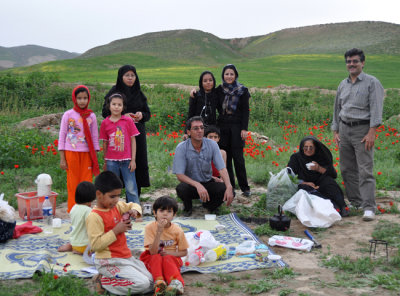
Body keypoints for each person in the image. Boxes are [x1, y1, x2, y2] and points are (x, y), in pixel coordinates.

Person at [331, 48, 384, 221]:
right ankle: (356, 202)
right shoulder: (342, 84)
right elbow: (337, 108)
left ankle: (369, 207)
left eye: (355, 61)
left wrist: (372, 131)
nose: (351, 64)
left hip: (363, 131)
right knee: (346, 169)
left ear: (362, 62)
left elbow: (376, 108)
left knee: (365, 170)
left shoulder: (371, 82)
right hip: (344, 130)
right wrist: (336, 130)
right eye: (348, 61)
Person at [86, 171, 153, 295]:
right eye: (112, 196)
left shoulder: (117, 206)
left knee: (151, 282)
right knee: (142, 284)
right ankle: (104, 281)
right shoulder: (94, 217)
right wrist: (116, 230)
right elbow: (95, 245)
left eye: (118, 196)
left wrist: (134, 211)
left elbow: (134, 204)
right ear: (99, 194)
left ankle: (112, 281)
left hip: (125, 257)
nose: (116, 200)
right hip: (108, 261)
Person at [102, 65, 151, 196]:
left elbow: (148, 113)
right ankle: (115, 200)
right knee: (117, 166)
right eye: (127, 75)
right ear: (121, 77)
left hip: (137, 134)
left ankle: (135, 199)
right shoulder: (114, 92)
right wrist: (123, 116)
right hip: (118, 134)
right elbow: (105, 112)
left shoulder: (139, 93)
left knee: (137, 162)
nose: (130, 78)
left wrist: (141, 115)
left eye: (132, 75)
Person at [172, 116, 234, 217]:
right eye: (196, 128)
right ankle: (188, 208)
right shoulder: (182, 147)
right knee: (181, 188)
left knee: (226, 190)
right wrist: (197, 185)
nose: (200, 131)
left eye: (201, 128)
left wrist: (229, 186)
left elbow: (222, 168)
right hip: (191, 185)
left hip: (208, 182)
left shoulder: (212, 145)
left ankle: (210, 206)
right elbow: (179, 175)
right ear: (188, 132)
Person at [59, 85, 100, 212]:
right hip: (71, 153)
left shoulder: (91, 116)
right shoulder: (68, 115)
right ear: (74, 99)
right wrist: (62, 158)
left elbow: (94, 136)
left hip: (87, 154)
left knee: (87, 182)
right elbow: (62, 135)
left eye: (85, 98)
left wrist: (95, 157)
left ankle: (86, 209)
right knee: (72, 183)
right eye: (79, 98)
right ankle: (73, 210)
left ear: (89, 99)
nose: (82, 101)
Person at [287, 136, 349, 217]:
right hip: (305, 184)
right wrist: (304, 182)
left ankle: (342, 206)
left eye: (311, 147)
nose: (308, 150)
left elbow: (333, 174)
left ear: (315, 148)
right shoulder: (296, 158)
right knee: (305, 188)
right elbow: (289, 176)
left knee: (330, 182)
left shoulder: (321, 156)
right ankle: (332, 206)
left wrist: (319, 168)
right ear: (302, 148)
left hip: (320, 182)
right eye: (306, 147)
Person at [139, 196, 189, 295]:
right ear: (155, 213)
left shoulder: (177, 230)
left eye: (169, 211)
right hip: (153, 257)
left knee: (168, 258)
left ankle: (176, 283)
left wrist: (169, 252)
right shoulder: (149, 228)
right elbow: (152, 252)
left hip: (170, 258)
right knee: (156, 257)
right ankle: (159, 283)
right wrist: (159, 231)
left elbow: (184, 252)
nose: (165, 214)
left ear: (174, 214)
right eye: (161, 210)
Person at [216, 64, 251, 197]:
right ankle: (231, 187)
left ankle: (245, 187)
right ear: (223, 76)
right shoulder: (219, 90)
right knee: (226, 158)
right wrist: (193, 93)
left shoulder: (242, 90)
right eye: (226, 74)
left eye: (231, 74)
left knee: (238, 158)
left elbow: (245, 112)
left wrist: (244, 129)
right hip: (223, 126)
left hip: (237, 126)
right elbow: (207, 95)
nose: (229, 76)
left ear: (235, 75)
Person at [100, 93, 140, 205]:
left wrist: (133, 160)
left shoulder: (128, 121)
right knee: (112, 188)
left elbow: (133, 140)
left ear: (123, 107)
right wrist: (105, 161)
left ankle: (135, 212)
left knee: (131, 188)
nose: (116, 107)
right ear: (109, 106)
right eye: (114, 104)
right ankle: (112, 211)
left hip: (127, 160)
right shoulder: (105, 123)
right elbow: (105, 143)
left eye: (119, 104)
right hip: (111, 161)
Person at [58, 181, 96, 254]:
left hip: (74, 243)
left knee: (78, 230)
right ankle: (81, 252)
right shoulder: (89, 211)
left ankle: (72, 247)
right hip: (84, 246)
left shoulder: (74, 208)